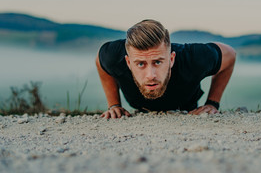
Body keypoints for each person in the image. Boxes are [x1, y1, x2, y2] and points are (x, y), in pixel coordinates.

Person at [96, 19, 236, 119]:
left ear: (171, 59)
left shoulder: (192, 59)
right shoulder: (113, 56)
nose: (150, 75)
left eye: (157, 62)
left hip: (186, 108)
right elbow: (100, 62)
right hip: (140, 107)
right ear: (128, 62)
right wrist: (114, 105)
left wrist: (212, 103)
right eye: (140, 64)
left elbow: (230, 54)